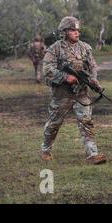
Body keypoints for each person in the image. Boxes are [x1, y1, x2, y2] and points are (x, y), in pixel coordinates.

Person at [41, 16, 107, 165]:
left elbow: (92, 67)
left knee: (86, 122)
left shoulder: (85, 47)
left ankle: (92, 153)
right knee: (54, 124)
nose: (77, 33)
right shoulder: (55, 49)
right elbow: (47, 69)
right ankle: (46, 149)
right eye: (72, 30)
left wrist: (93, 81)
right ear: (64, 32)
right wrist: (65, 77)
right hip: (62, 94)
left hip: (81, 93)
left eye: (78, 30)